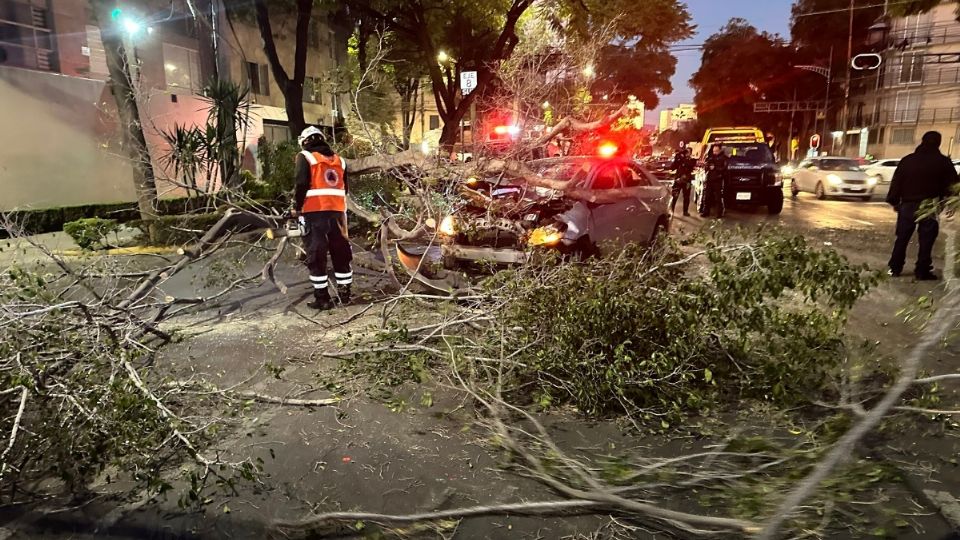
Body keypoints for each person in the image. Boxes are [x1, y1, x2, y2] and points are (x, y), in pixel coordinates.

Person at [293, 126, 353, 309]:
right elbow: (345, 188)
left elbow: (301, 183)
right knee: (341, 252)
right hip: (338, 213)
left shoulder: (305, 156)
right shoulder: (339, 161)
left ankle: (322, 299)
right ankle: (345, 294)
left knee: (316, 254)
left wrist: (296, 207)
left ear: (305, 141)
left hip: (314, 212)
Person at [886, 130, 959, 280]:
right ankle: (922, 270)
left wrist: (894, 201)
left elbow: (897, 181)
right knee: (927, 240)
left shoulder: (908, 160)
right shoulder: (943, 162)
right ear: (938, 143)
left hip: (907, 204)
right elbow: (953, 185)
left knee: (902, 238)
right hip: (930, 205)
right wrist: (948, 202)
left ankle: (895, 267)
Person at [700, 144, 728, 218]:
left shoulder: (724, 158)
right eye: (713, 151)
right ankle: (706, 211)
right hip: (710, 179)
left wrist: (715, 168)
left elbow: (725, 169)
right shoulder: (711, 157)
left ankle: (719, 213)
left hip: (718, 180)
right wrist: (705, 165)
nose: (715, 152)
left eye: (716, 151)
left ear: (720, 150)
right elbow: (707, 165)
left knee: (718, 197)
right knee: (707, 196)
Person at [670, 144, 695, 216]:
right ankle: (671, 210)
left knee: (686, 197)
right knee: (674, 196)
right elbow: (672, 167)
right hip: (678, 180)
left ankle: (685, 211)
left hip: (687, 180)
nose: (686, 153)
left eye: (688, 152)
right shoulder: (680, 159)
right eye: (685, 152)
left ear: (690, 153)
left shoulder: (692, 160)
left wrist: (682, 158)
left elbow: (690, 166)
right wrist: (677, 158)